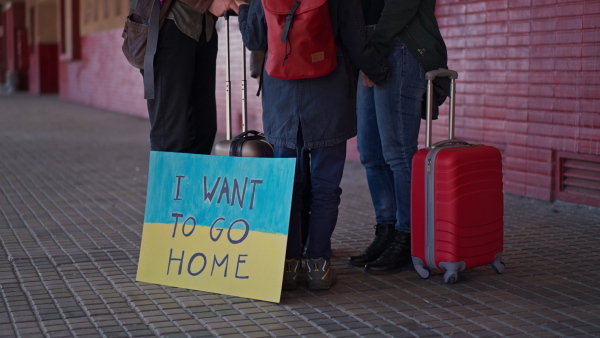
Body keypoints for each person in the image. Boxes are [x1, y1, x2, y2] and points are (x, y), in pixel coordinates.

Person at [237, 0, 390, 290]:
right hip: (328, 96)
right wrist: (382, 72)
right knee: (325, 188)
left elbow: (253, 39)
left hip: (281, 99)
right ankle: (318, 266)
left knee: (288, 187)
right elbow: (356, 41)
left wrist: (245, 7)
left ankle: (289, 265)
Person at [348, 0, 450, 275]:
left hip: (398, 45)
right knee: (370, 152)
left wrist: (375, 48)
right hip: (370, 47)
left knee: (398, 153)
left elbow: (404, 5)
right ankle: (386, 231)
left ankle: (407, 237)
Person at [143, 0, 240, 154]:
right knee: (170, 132)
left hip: (205, 29)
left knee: (203, 130)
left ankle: (192, 178)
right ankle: (168, 178)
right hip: (170, 24)